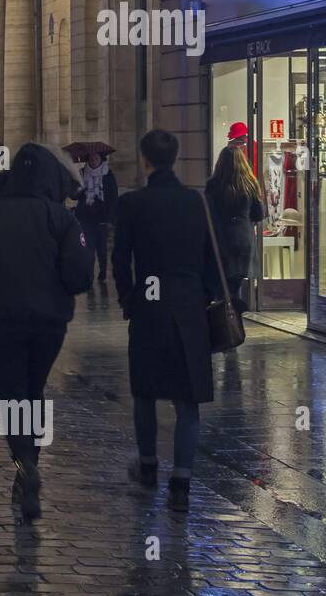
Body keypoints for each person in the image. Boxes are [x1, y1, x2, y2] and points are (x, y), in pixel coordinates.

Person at [0, 143, 94, 521]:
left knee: (13, 395)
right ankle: (29, 463)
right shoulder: (61, 219)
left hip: (4, 320)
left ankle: (25, 463)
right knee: (34, 390)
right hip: (50, 323)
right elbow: (80, 275)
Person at [112, 129, 218, 513]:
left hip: (150, 305)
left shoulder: (134, 205)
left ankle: (148, 466)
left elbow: (120, 257)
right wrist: (202, 298)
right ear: (174, 159)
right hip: (189, 308)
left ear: (144, 160)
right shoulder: (196, 203)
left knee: (145, 391)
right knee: (188, 400)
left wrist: (128, 296)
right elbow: (210, 258)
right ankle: (182, 481)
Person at [205, 145, 264, 309]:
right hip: (243, 239)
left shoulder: (213, 185)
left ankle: (227, 323)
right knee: (234, 284)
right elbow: (259, 214)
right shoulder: (250, 183)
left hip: (221, 239)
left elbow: (208, 213)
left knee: (221, 285)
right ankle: (232, 322)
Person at [74, 151, 119, 286]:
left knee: (101, 248)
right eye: (91, 157)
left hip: (102, 216)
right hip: (85, 217)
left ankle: (103, 271)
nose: (93, 159)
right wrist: (80, 189)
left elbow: (113, 197)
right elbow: (73, 196)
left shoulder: (108, 174)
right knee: (88, 248)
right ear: (87, 159)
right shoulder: (81, 174)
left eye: (96, 157)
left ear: (101, 159)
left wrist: (111, 218)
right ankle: (90, 273)